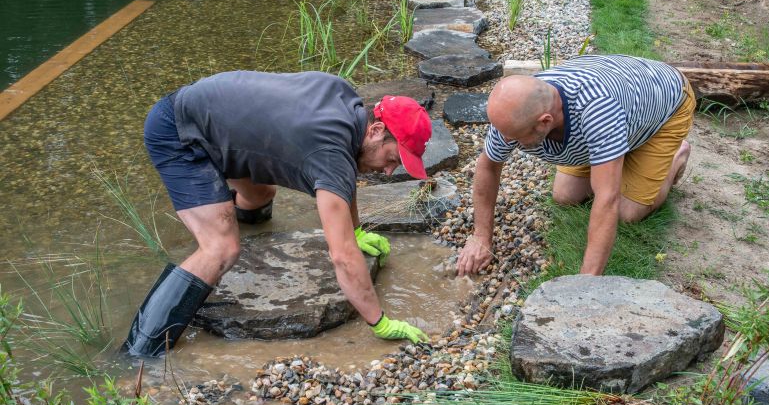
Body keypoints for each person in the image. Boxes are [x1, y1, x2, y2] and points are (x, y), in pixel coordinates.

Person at [124, 71, 433, 356]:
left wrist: (356, 231)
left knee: (261, 195)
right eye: (393, 158)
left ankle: (230, 221)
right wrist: (378, 321)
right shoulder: (330, 151)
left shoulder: (346, 101)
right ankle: (140, 349)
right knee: (222, 249)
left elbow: (343, 176)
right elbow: (342, 256)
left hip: (212, 121)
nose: (390, 171)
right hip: (178, 133)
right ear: (377, 130)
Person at [457, 55, 695, 277]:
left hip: (665, 104)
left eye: (514, 137)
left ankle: (676, 157)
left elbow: (607, 198)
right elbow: (488, 166)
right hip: (621, 94)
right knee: (565, 195)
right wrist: (480, 237)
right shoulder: (513, 114)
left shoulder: (598, 111)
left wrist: (583, 284)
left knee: (627, 213)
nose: (505, 140)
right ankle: (613, 152)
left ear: (545, 123)